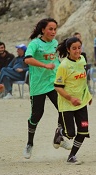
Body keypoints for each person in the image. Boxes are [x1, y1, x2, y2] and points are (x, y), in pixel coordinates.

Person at [23, 18, 71, 159]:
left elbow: (56, 61)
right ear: (43, 30)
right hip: (38, 85)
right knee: (37, 115)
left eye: (55, 29)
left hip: (53, 83)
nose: (53, 32)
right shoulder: (35, 44)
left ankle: (59, 136)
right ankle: (29, 144)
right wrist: (44, 65)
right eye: (50, 29)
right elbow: (27, 59)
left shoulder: (55, 43)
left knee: (63, 107)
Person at [53, 37, 92, 164]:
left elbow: (83, 81)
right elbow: (57, 87)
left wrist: (88, 96)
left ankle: (71, 156)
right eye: (74, 48)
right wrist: (70, 98)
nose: (77, 51)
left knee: (83, 131)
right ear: (68, 50)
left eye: (79, 48)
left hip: (81, 103)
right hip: (67, 105)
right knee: (70, 134)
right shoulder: (64, 66)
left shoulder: (82, 60)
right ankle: (59, 132)